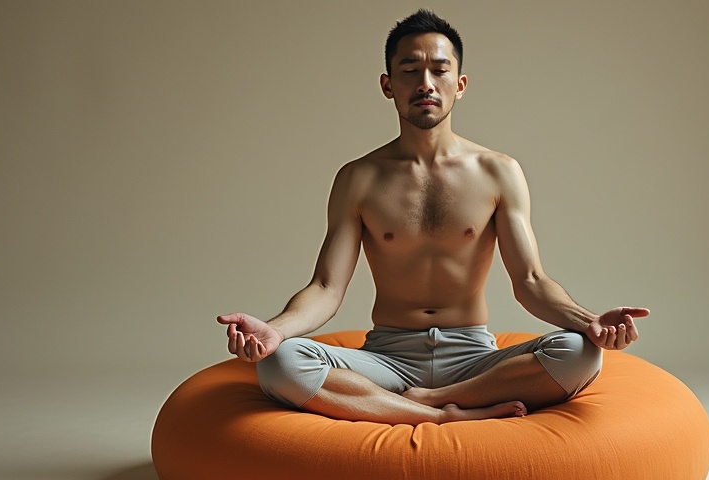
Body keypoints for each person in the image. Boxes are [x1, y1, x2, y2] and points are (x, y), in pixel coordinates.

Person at [218, 9, 648, 425]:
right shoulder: (358, 178)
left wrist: (590, 323)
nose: (426, 83)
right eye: (410, 70)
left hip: (475, 358)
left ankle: (432, 399)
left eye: (439, 70)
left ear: (459, 85)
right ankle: (442, 415)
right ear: (388, 85)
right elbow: (327, 288)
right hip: (386, 357)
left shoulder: (498, 171)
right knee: (282, 364)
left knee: (579, 352)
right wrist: (273, 332)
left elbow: (531, 283)